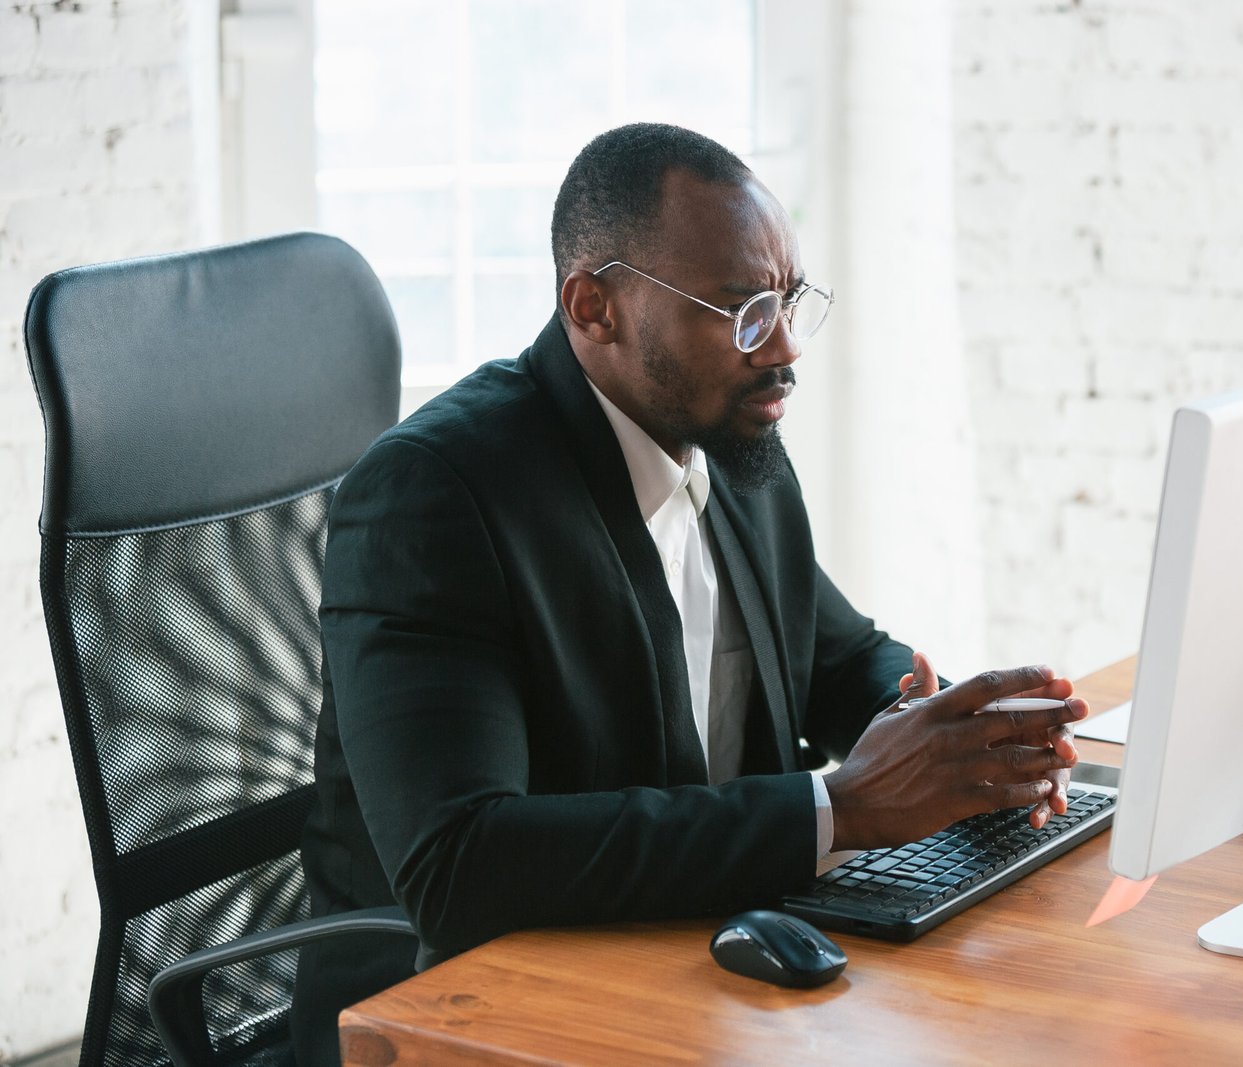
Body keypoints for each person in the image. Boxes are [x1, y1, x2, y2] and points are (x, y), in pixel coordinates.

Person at [290, 123, 1085, 1062]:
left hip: (684, 970)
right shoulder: (437, 495)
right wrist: (844, 808)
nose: (782, 348)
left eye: (787, 301)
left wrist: (966, 746)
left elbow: (830, 655)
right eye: (741, 309)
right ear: (596, 307)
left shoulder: (730, 440)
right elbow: (462, 862)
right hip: (464, 1012)